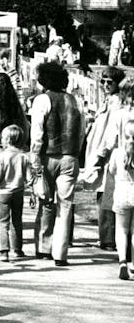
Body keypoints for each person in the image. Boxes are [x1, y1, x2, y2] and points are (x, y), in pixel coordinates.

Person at [30, 60, 84, 265]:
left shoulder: (42, 100)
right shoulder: (75, 100)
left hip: (47, 156)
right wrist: (75, 152)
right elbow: (81, 131)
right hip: (70, 155)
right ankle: (60, 253)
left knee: (45, 201)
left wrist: (35, 159)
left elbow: (37, 133)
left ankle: (43, 246)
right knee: (65, 205)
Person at [82, 68, 125, 252]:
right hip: (99, 152)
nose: (106, 85)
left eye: (110, 82)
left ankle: (108, 239)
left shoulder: (116, 103)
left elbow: (111, 133)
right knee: (102, 193)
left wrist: (101, 155)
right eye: (103, 82)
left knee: (107, 195)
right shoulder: (107, 101)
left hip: (107, 156)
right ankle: (106, 237)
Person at [0, 124, 33, 262]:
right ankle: (18, 249)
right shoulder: (24, 157)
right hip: (18, 193)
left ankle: (4, 251)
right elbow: (29, 179)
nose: (1, 141)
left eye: (3, 138)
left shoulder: (2, 156)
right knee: (17, 221)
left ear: (8, 140)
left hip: (3, 193)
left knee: (3, 222)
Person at [105, 125, 134, 280]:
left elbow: (111, 170)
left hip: (122, 193)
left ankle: (123, 261)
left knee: (121, 230)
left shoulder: (117, 153)